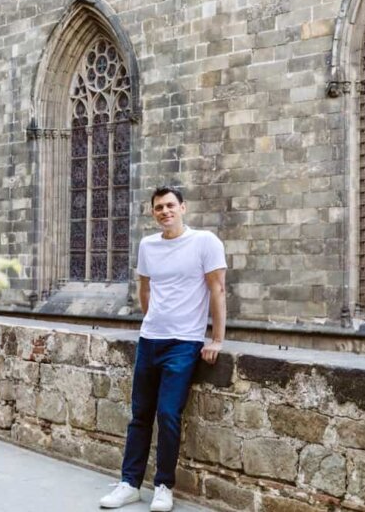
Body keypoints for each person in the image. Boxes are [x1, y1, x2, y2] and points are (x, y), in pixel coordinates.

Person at [99, 186, 227, 512]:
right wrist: (153, 319)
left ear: (183, 207)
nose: (165, 211)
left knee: (168, 414)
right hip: (149, 339)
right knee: (140, 415)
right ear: (153, 212)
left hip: (184, 343)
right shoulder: (148, 245)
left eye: (171, 205)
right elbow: (146, 289)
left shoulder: (205, 242)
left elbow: (218, 289)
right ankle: (129, 483)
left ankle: (163, 486)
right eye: (159, 207)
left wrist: (216, 340)